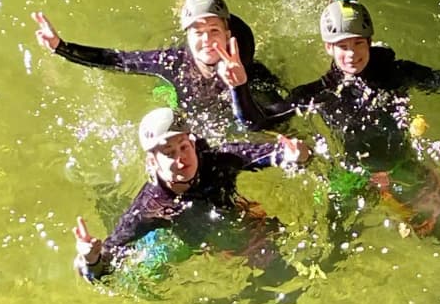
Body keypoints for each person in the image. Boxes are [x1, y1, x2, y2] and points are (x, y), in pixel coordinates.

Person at [221, 0, 440, 245]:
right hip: (352, 174)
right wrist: (239, 87)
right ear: (328, 48)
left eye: (358, 43)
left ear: (370, 42)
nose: (351, 54)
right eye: (342, 46)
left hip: (401, 164)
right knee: (337, 236)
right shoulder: (320, 94)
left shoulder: (396, 73)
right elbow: (255, 122)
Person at [73, 105, 310, 284]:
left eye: (184, 147)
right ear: (152, 161)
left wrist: (296, 156)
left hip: (231, 220)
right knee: (150, 274)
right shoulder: (150, 205)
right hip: (188, 239)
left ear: (193, 144)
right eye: (168, 153)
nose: (181, 158)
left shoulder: (219, 160)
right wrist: (91, 260)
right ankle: (100, 190)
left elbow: (275, 154)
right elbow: (103, 269)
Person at [32, 0, 281, 138]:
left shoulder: (254, 73)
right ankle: (181, 3)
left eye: (214, 30)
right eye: (197, 32)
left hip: (232, 112)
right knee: (161, 97)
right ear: (188, 37)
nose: (206, 40)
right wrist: (61, 47)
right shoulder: (172, 62)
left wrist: (241, 86)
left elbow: (262, 127)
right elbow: (118, 60)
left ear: (228, 35)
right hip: (186, 111)